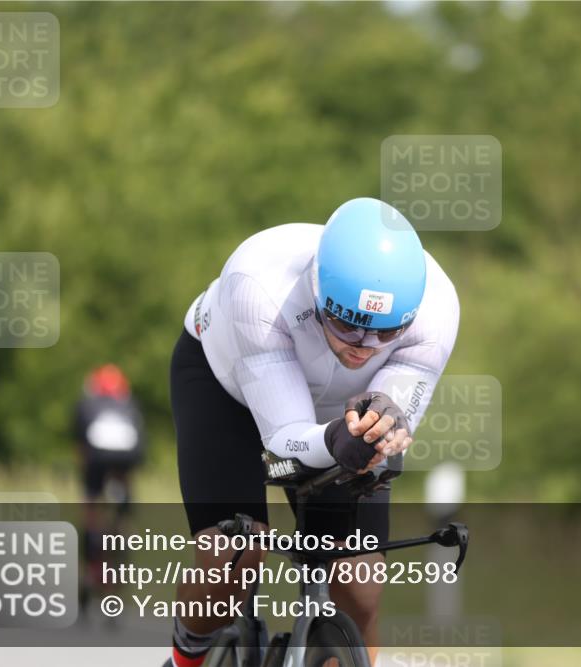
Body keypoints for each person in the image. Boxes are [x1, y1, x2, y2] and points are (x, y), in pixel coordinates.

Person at [167, 197, 459, 666]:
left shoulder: (437, 310)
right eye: (346, 325)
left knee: (359, 586)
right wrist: (332, 441)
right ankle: (188, 655)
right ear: (317, 292)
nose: (364, 348)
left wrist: (381, 424)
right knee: (234, 558)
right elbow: (283, 440)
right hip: (230, 389)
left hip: (338, 414)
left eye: (386, 334)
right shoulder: (258, 284)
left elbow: (387, 420)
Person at [73, 363, 146, 609]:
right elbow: (140, 446)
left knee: (91, 509)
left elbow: (80, 445)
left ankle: (89, 566)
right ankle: (122, 533)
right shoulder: (131, 405)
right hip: (126, 460)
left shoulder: (87, 404)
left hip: (96, 459)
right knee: (122, 509)